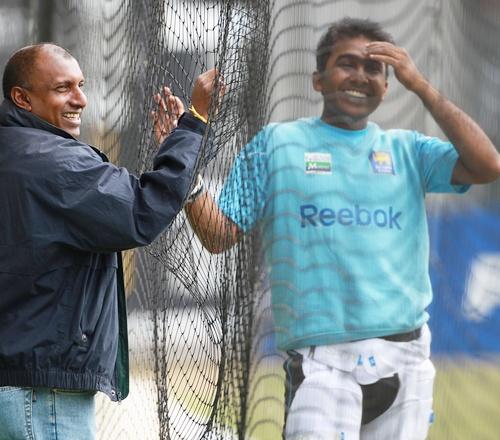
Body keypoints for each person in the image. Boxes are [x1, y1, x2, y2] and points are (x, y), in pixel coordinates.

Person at [164, 17, 500, 440]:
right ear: (318, 80)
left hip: (407, 360)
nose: (361, 75)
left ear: (387, 85)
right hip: (320, 365)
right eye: (347, 64)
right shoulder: (275, 145)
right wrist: (187, 182)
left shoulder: (408, 150)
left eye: (374, 68)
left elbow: (488, 165)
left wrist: (422, 87)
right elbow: (218, 237)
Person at [0, 43, 217, 439]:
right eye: (63, 88)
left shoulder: (15, 151)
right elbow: (141, 211)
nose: (80, 99)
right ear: (22, 98)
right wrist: (195, 123)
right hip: (41, 390)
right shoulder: (52, 160)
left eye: (80, 85)